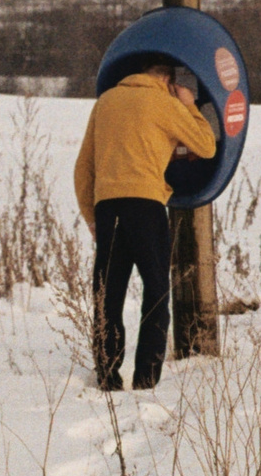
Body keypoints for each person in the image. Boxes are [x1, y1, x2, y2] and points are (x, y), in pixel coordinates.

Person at [72, 60, 217, 391]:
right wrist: (190, 105)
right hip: (146, 205)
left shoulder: (105, 102)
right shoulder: (164, 103)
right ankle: (146, 378)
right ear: (166, 78)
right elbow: (207, 146)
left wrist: (92, 217)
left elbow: (83, 168)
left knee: (108, 292)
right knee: (155, 291)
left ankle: (107, 374)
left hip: (109, 207)